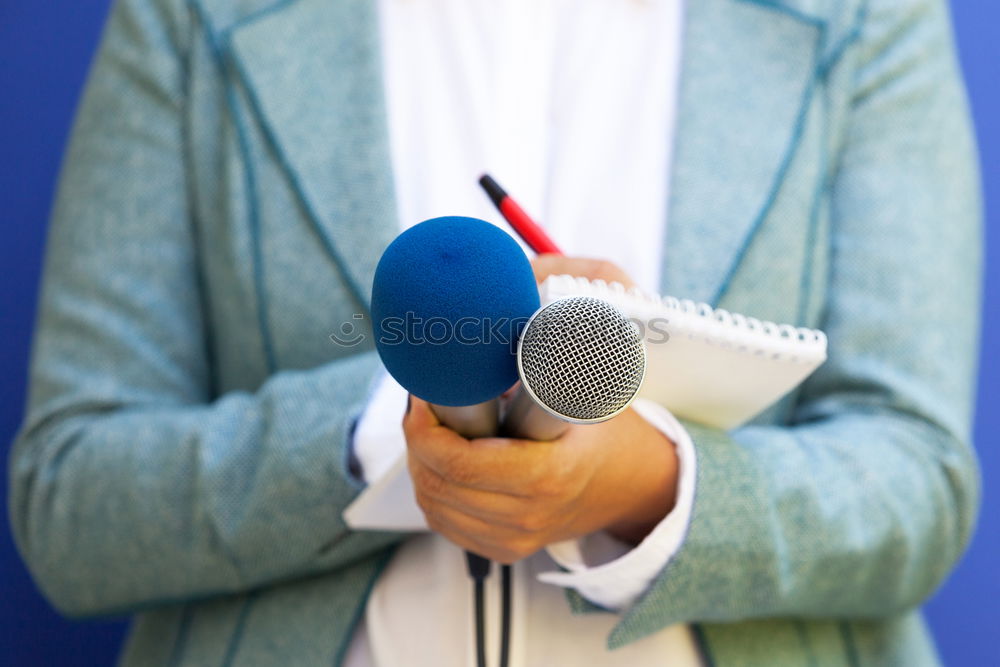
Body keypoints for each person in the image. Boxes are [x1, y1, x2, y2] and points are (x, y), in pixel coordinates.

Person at [8, 0, 981, 665]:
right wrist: (398, 413)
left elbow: (918, 482)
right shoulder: (196, 16)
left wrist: (645, 482)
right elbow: (70, 501)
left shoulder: (860, 16)